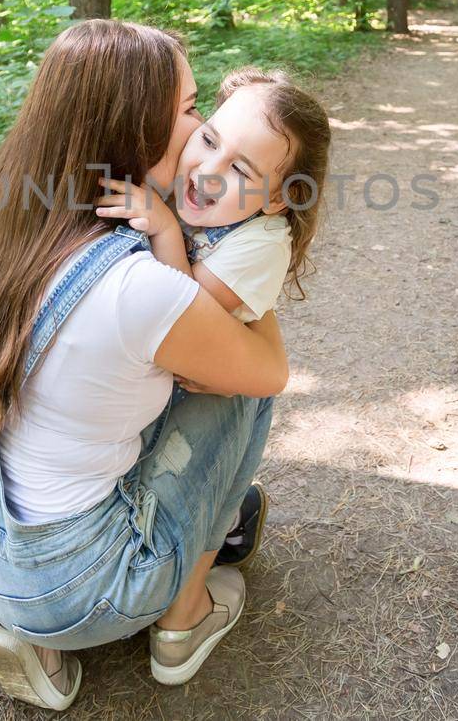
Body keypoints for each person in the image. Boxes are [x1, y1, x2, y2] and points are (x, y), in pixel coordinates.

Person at [0, 20, 288, 711]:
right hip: (81, 584)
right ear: (130, 128)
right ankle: (183, 619)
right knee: (239, 380)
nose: (200, 126)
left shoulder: (8, 214)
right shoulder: (138, 287)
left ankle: (34, 637)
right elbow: (269, 371)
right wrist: (250, 280)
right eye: (187, 110)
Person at [94, 66, 331, 565]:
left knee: (248, 398)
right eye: (207, 139)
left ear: (274, 200)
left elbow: (185, 313)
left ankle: (208, 527)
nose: (207, 171)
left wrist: (162, 227)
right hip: (143, 376)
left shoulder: (260, 245)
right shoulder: (192, 187)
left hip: (185, 372)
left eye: (242, 171)